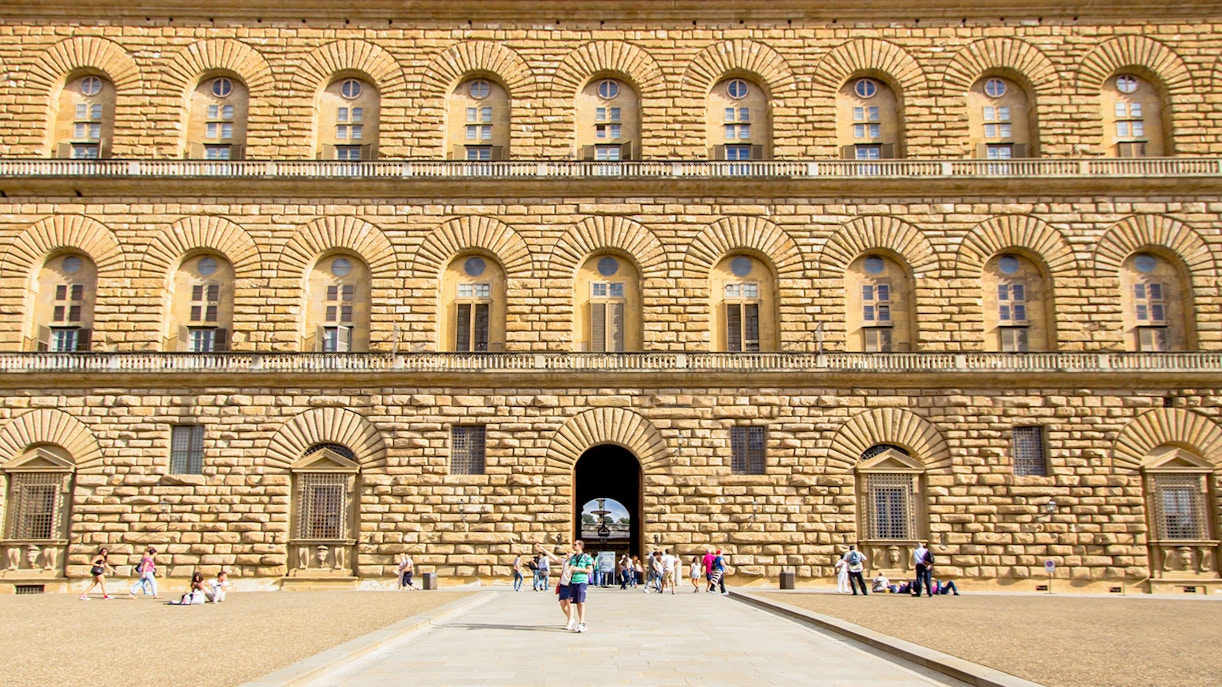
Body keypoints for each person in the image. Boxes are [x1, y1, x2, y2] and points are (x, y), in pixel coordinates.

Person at [536, 542, 578, 630]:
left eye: (569, 552)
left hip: (571, 585)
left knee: (569, 604)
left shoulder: (576, 563)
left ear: (574, 554)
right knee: (562, 604)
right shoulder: (565, 561)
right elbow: (553, 557)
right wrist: (543, 549)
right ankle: (570, 618)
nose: (567, 554)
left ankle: (569, 621)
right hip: (563, 584)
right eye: (567, 552)